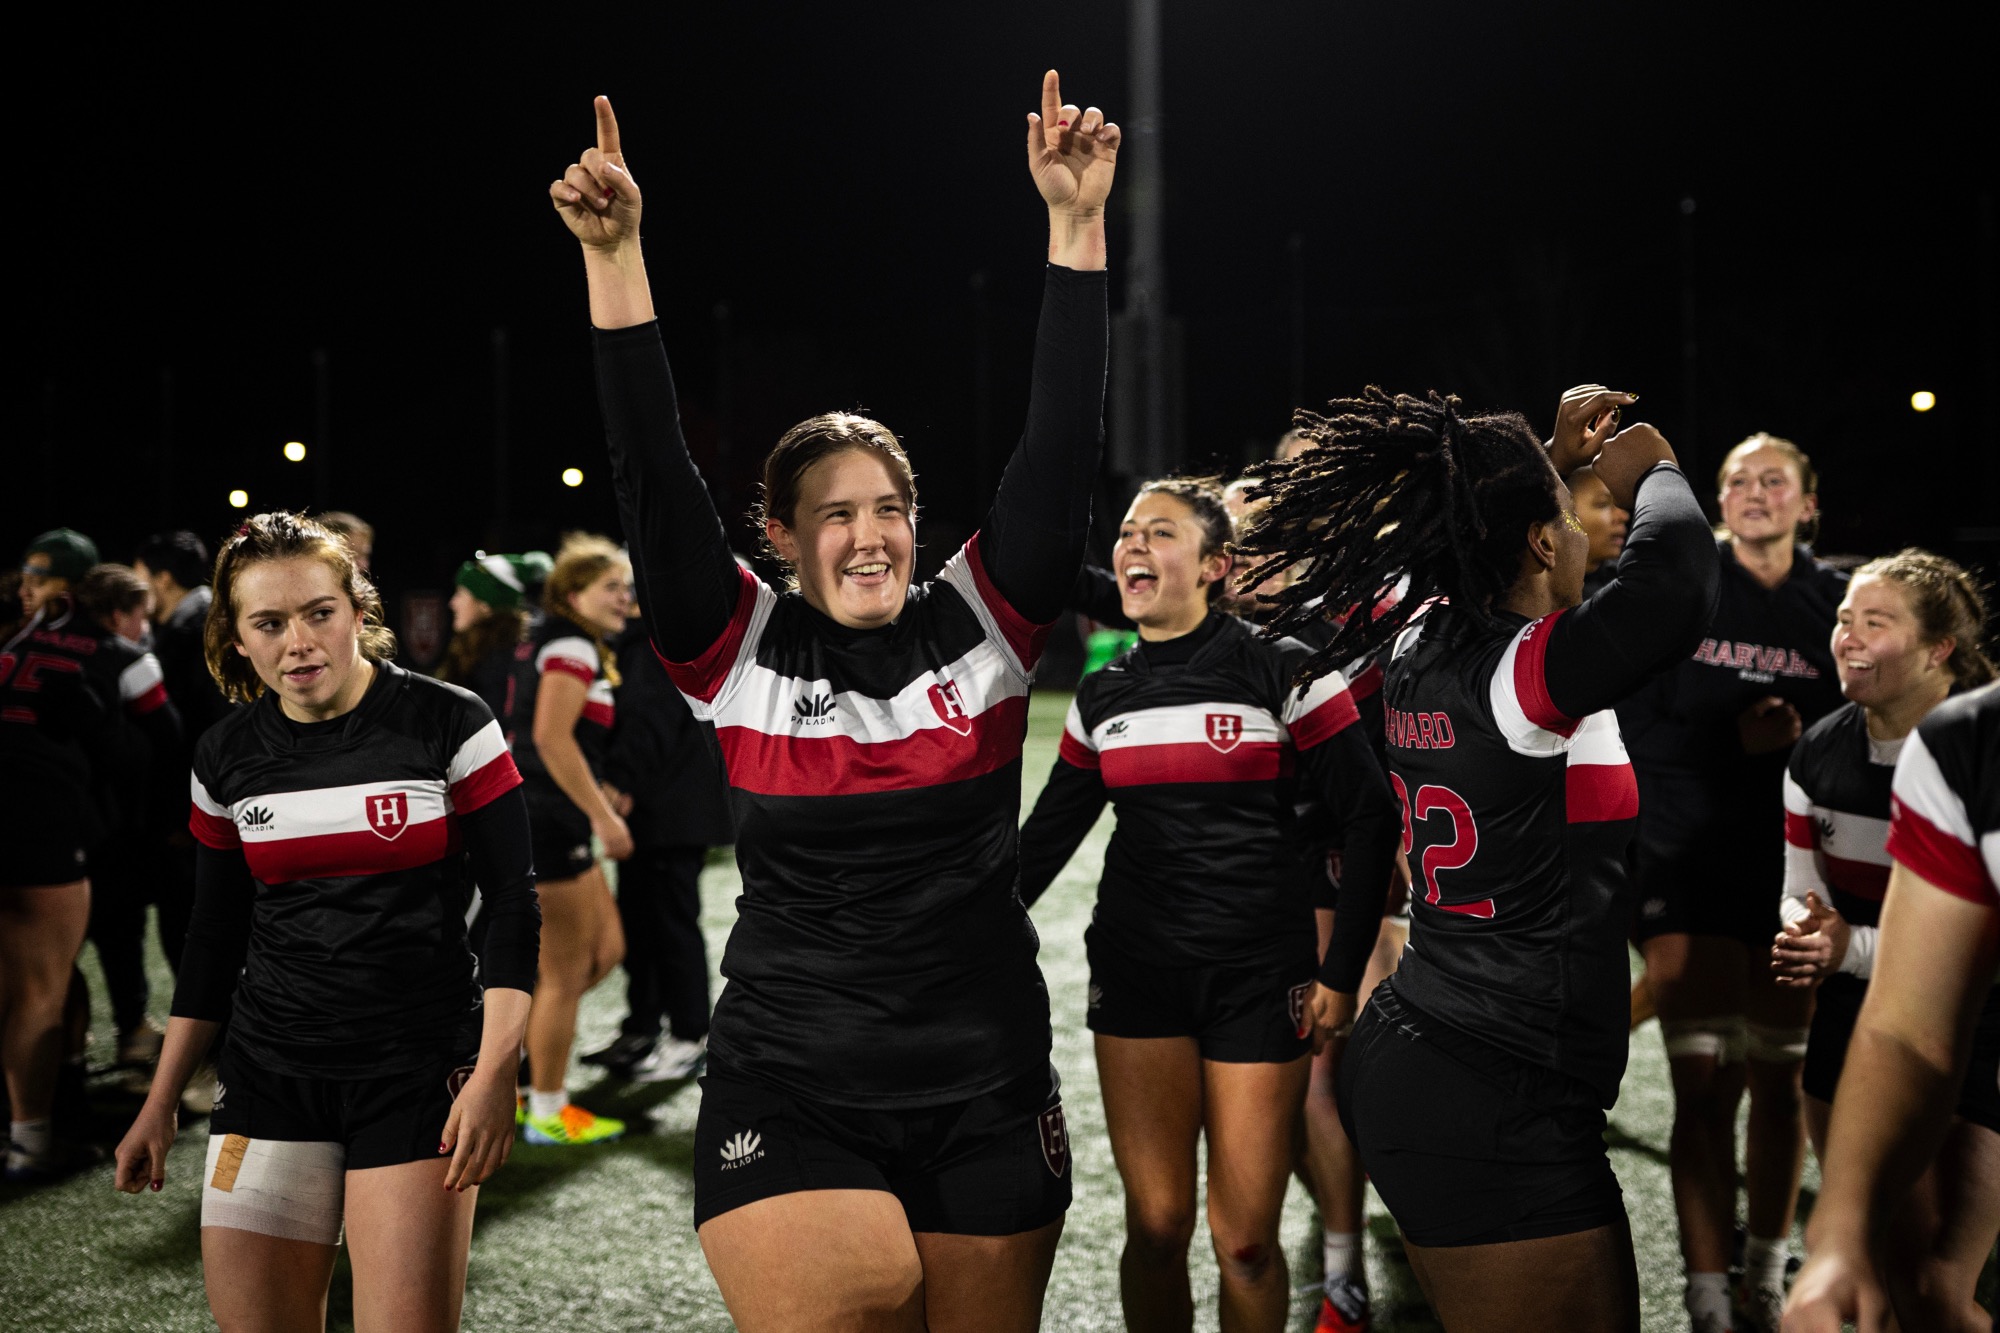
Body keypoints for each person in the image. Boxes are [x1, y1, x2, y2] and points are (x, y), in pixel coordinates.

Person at [553, 76, 1114, 1330]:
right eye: (835, 515)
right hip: (790, 1083)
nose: (869, 539)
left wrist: (1073, 230)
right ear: (780, 538)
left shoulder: (983, 616)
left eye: (889, 510)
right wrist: (618, 258)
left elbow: (1060, 447)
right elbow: (651, 470)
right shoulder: (735, 641)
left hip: (985, 1079)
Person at [1235, 383, 1715, 1332]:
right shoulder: (1526, 676)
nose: (1587, 532)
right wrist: (1652, 466)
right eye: (1571, 519)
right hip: (1494, 1079)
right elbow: (1675, 589)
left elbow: (1475, 538)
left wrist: (1541, 462)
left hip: (1446, 1046)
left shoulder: (1428, 635)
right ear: (1541, 541)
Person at [112, 511, 538, 1332]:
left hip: (415, 1076)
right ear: (237, 638)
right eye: (269, 622)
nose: (298, 641)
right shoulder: (224, 755)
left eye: (320, 612)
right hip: (269, 1077)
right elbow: (213, 935)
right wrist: (161, 1099)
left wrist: (494, 1071)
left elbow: (514, 905)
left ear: (357, 609)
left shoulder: (450, 722)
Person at [1017, 476, 1400, 1333]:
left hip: (1259, 978)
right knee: (1156, 1227)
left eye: (1160, 532)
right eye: (1125, 533)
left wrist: (1341, 970)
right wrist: (955, 929)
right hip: (1138, 976)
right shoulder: (1102, 693)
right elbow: (1044, 840)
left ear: (1217, 564)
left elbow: (1371, 814)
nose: (1134, 547)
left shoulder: (1286, 667)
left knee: (1247, 1243)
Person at [1619, 432, 1846, 1331]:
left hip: (1795, 867)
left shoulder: (1834, 603)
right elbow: (1625, 728)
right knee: (1703, 1086)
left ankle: (1762, 1272)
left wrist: (1806, 738)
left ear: (1808, 502)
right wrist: (1731, 743)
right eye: (1739, 480)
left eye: (1775, 480)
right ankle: (1707, 1295)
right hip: (1687, 856)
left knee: (1780, 1084)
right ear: (1718, 500)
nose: (1756, 493)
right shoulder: (1682, 589)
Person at [1769, 551, 1998, 1331]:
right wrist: (1805, 934)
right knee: (1892, 1276)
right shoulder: (1818, 752)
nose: (1848, 636)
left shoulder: (1974, 747)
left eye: (1876, 621)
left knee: (1938, 1287)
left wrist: (1849, 949)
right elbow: (1801, 887)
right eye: (1843, 619)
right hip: (1861, 1027)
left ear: (1941, 649)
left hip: (1982, 1027)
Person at [2, 534, 125, 1180]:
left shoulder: (14, 640)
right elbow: (141, 746)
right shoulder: (104, 650)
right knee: (38, 990)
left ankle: (49, 1113)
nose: (26, 589)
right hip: (38, 816)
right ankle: (30, 1141)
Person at [505, 534, 632, 1146]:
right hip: (548, 820)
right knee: (563, 971)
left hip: (553, 818)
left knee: (603, 950)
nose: (624, 597)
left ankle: (516, 1072)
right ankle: (546, 1106)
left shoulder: (565, 640)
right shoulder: (572, 643)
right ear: (574, 592)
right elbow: (552, 740)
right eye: (612, 586)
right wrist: (604, 815)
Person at [585, 601, 733, 1081]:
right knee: (642, 923)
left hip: (669, 808)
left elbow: (650, 718)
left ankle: (691, 1035)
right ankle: (642, 1027)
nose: (621, 600)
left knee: (670, 925)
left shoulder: (657, 640)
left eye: (624, 589)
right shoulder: (644, 639)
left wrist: (621, 779)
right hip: (657, 806)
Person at [70, 563, 185, 1090]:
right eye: (139, 615)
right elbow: (168, 740)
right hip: (112, 827)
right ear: (119, 614)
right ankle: (132, 1028)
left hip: (43, 823)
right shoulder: (128, 658)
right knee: (121, 930)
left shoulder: (31, 647)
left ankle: (64, 1052)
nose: (145, 626)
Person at [438, 552, 531, 721]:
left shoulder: (500, 660)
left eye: (461, 594)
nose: (453, 603)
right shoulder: (474, 649)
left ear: (485, 605)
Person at [1569, 463, 1629, 600]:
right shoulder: (1531, 595)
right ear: (1564, 511)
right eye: (1603, 504)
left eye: (1620, 503)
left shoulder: (1630, 583)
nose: (1623, 516)